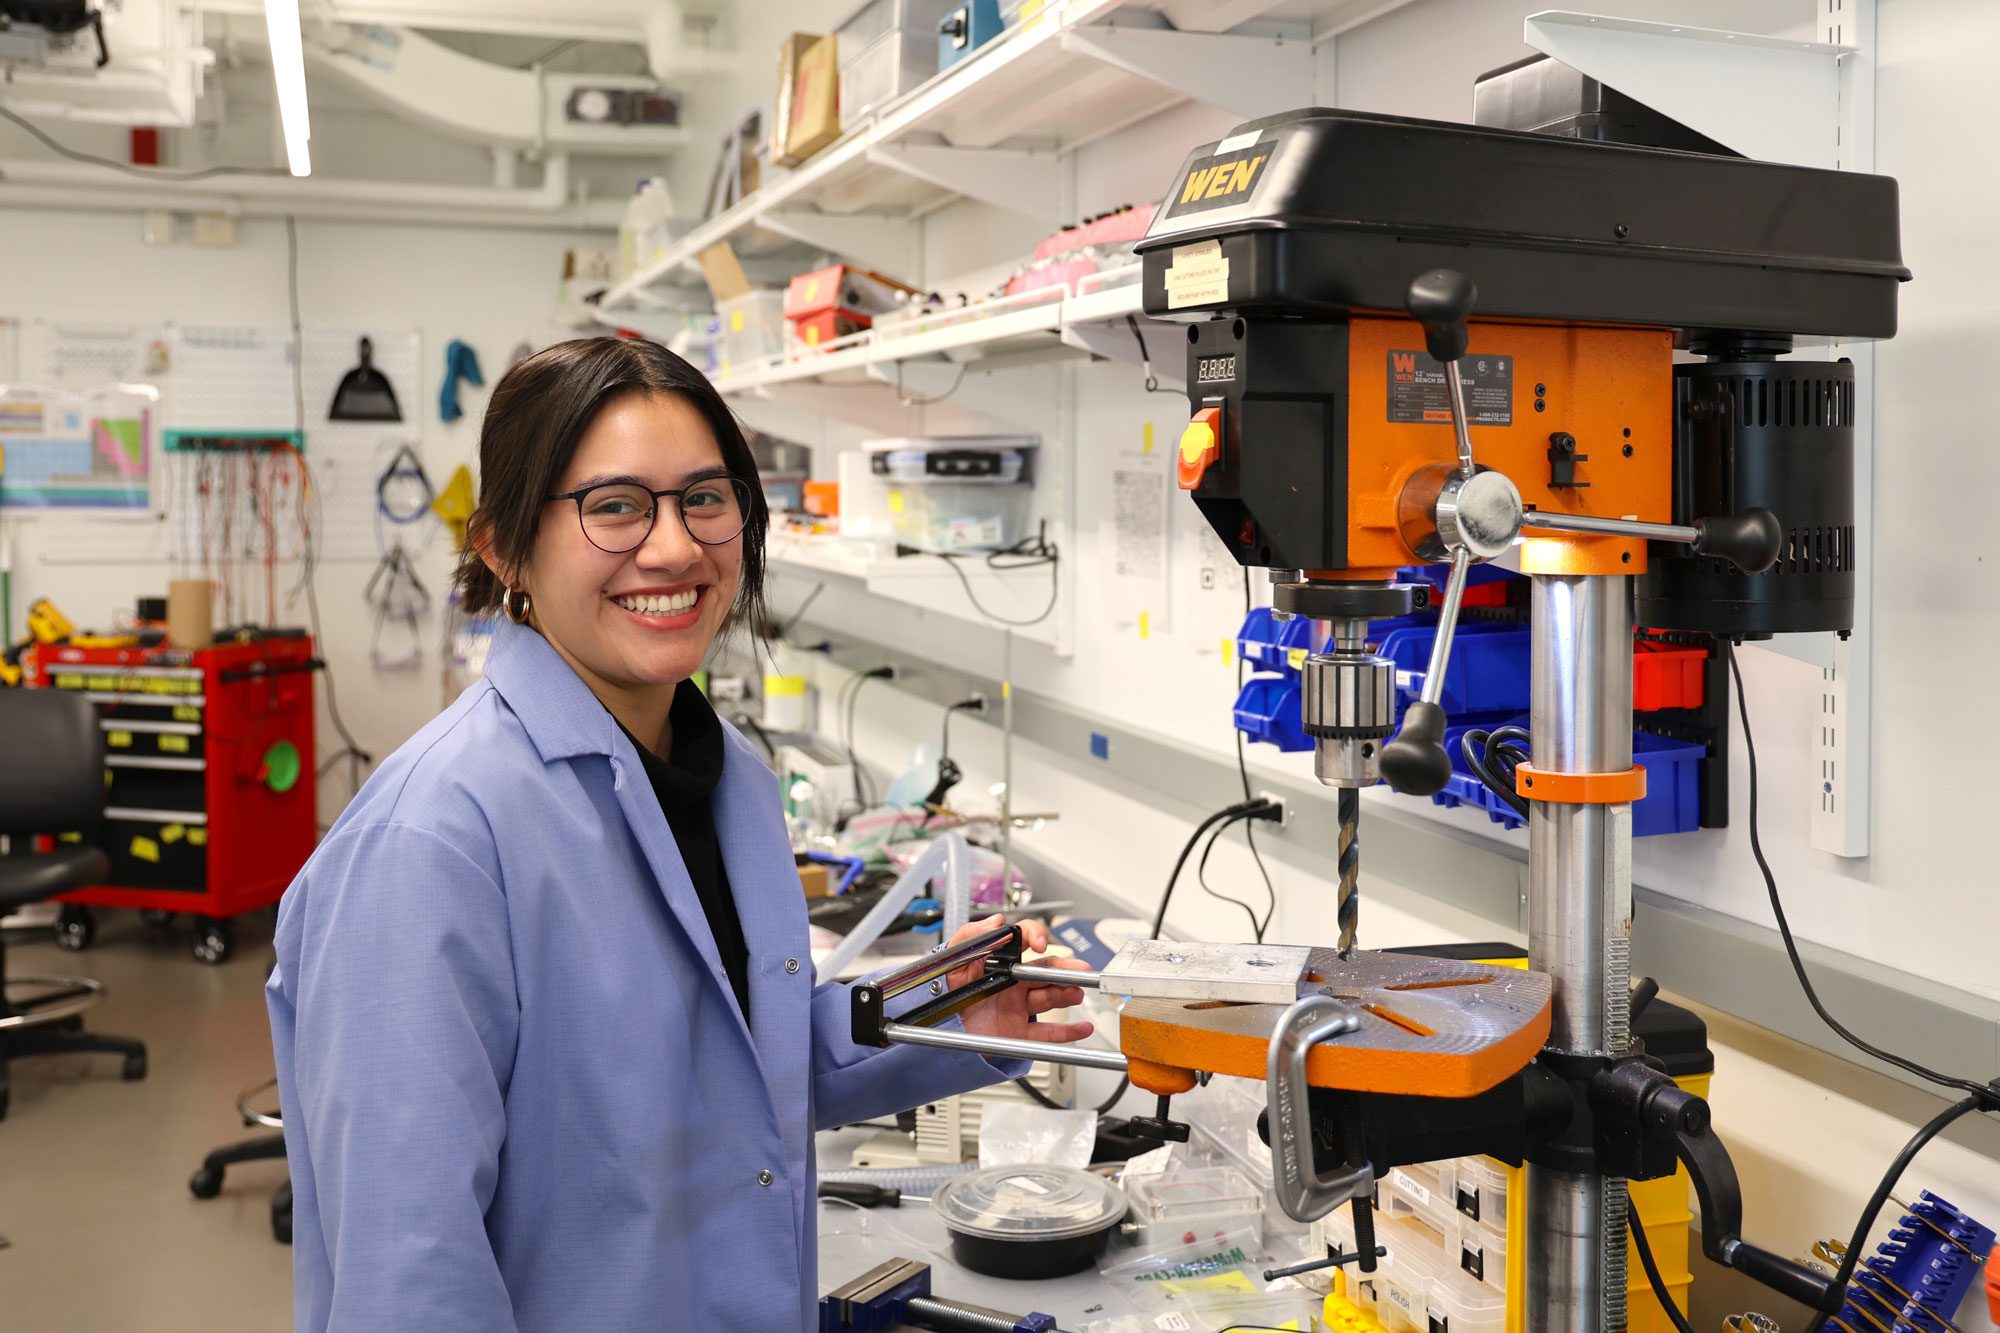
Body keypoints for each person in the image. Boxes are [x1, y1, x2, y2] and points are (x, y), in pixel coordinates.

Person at [266, 337, 1093, 1332]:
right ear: (504, 546)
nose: (672, 547)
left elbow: (728, 1068)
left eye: (706, 497)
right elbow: (406, 1267)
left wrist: (952, 1014)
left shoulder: (727, 777)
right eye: (614, 505)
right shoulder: (432, 840)